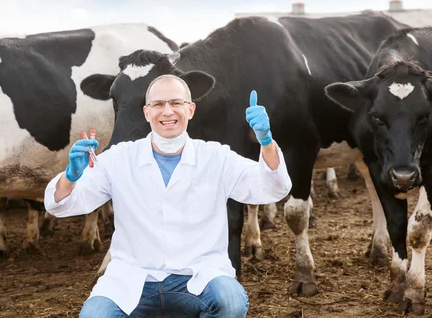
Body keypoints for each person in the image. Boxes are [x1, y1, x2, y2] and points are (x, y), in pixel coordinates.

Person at [44, 74, 292, 318]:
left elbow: (270, 188)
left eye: (176, 103)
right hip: (132, 278)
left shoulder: (216, 157)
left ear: (191, 109)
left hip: (198, 276)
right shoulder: (119, 158)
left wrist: (266, 142)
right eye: (158, 104)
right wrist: (71, 175)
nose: (167, 111)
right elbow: (62, 205)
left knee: (230, 302)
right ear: (146, 112)